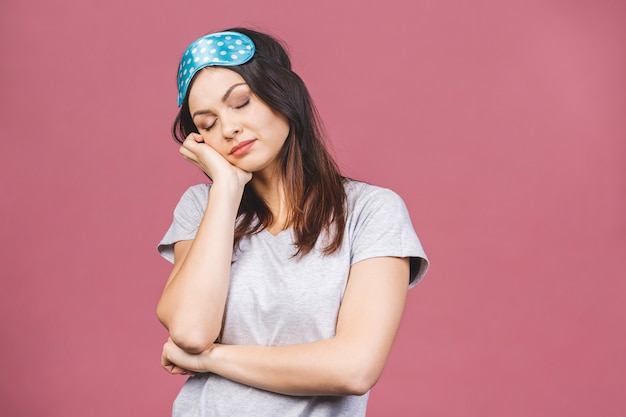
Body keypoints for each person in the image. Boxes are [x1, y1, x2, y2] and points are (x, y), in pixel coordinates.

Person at [156, 27, 429, 417]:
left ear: (282, 94)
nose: (228, 128)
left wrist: (209, 360)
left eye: (241, 102)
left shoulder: (372, 211)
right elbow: (190, 332)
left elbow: (354, 368)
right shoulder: (202, 207)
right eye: (207, 123)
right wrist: (227, 189)